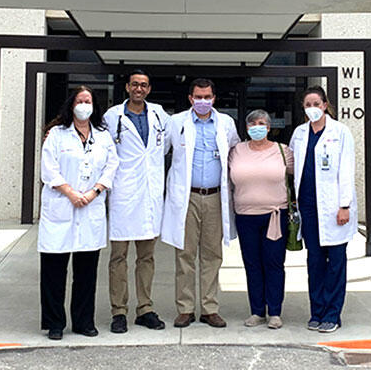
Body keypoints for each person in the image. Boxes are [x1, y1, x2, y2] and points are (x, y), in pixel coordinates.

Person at [38, 85, 119, 341]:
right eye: (80, 100)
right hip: (62, 204)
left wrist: (95, 192)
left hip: (90, 205)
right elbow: (49, 169)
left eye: (89, 100)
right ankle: (55, 323)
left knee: (86, 272)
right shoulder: (56, 134)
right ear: (72, 104)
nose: (84, 104)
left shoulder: (103, 136)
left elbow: (112, 166)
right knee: (54, 271)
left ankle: (84, 322)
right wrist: (71, 193)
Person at [161, 78, 240, 328]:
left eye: (207, 97)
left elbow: (236, 155)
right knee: (185, 254)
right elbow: (157, 151)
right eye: (198, 97)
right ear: (190, 98)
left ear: (214, 98)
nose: (203, 101)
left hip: (216, 196)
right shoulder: (176, 122)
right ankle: (185, 308)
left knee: (212, 254)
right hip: (187, 196)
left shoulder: (226, 123)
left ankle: (209, 308)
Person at [102, 69, 171, 334]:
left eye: (143, 85)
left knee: (147, 257)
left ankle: (145, 309)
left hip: (150, 194)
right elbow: (105, 149)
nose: (138, 89)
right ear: (127, 88)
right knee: (118, 257)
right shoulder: (113, 116)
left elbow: (163, 146)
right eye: (134, 84)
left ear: (149, 89)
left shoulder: (158, 114)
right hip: (123, 193)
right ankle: (119, 311)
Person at [289, 85, 357, 334]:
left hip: (334, 208)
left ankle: (332, 314)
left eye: (316, 104)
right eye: (308, 105)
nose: (312, 109)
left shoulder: (340, 132)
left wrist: (344, 205)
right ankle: (316, 312)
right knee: (315, 261)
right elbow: (293, 166)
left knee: (336, 262)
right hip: (308, 206)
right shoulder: (299, 133)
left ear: (325, 105)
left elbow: (347, 170)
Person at [228, 109, 293, 330]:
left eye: (262, 123)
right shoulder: (236, 151)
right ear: (247, 128)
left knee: (274, 263)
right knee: (252, 265)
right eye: (253, 123)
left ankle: (274, 311)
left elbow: (299, 176)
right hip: (246, 216)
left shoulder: (283, 151)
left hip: (275, 215)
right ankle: (257, 311)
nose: (258, 126)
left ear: (269, 126)